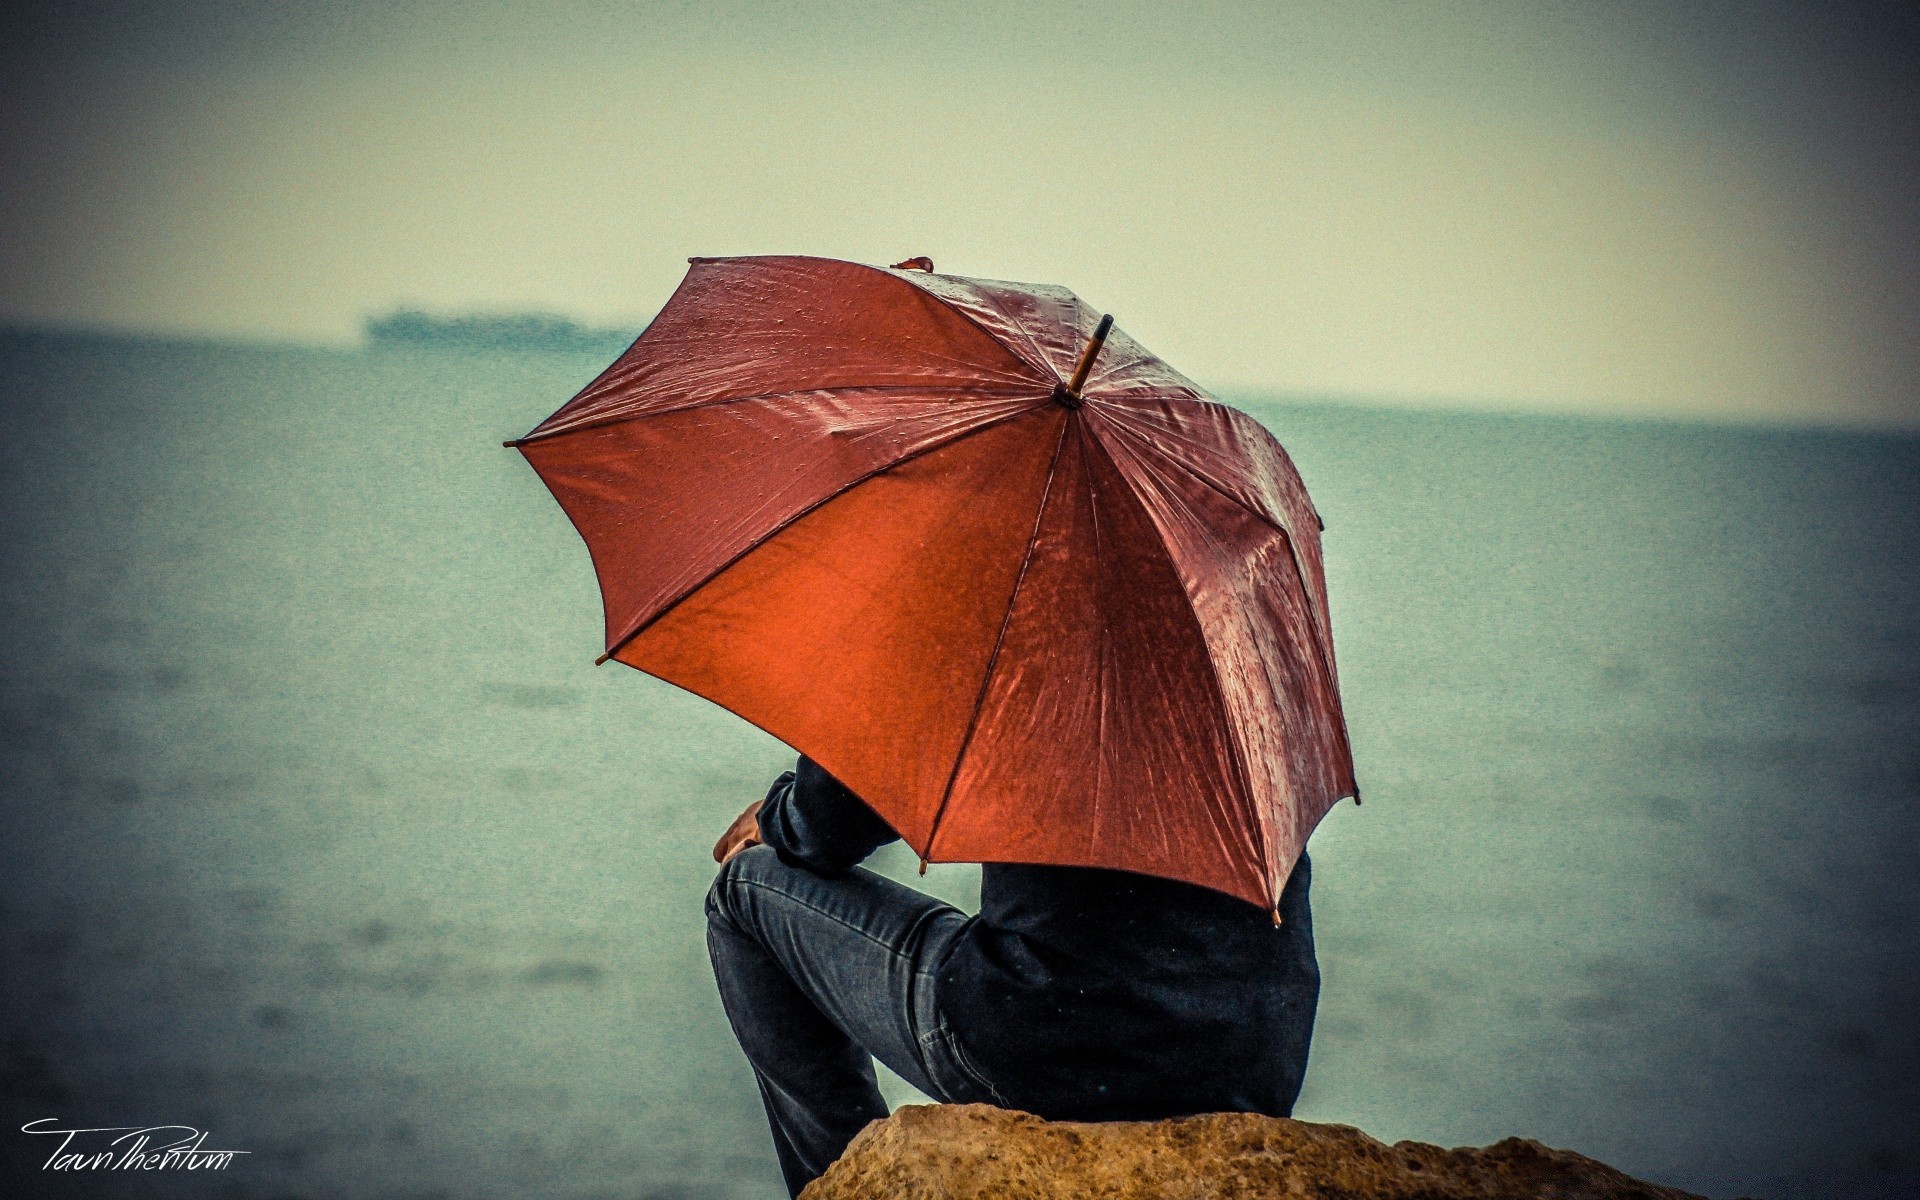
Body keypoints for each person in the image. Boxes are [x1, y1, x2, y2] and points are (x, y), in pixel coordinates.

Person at [706, 755, 1320, 1199]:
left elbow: (840, 812)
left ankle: (837, 1179)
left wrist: (783, 816)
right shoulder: (1240, 653)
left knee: (743, 891)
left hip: (1051, 1042)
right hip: (1249, 1063)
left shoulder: (1028, 624)